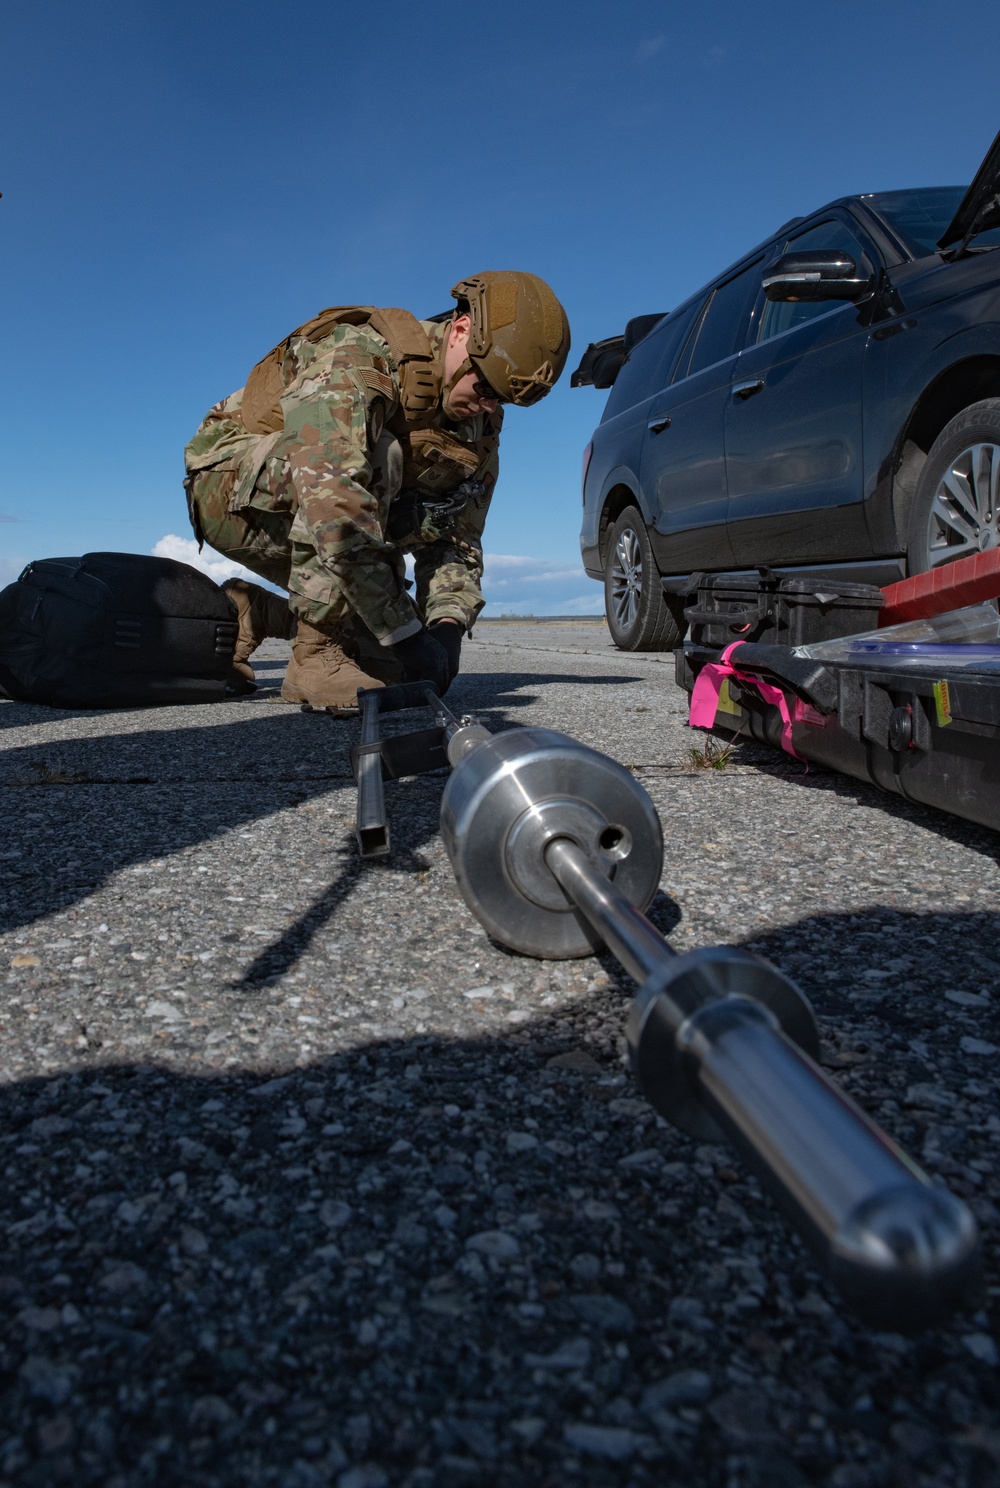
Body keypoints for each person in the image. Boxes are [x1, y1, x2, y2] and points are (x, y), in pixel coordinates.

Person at [184, 272, 570, 709]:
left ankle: (256, 612)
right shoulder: (361, 356)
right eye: (485, 388)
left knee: (393, 666)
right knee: (380, 456)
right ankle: (315, 656)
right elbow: (334, 500)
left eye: (502, 400)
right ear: (461, 332)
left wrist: (445, 628)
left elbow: (456, 538)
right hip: (229, 493)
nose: (488, 407)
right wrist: (403, 632)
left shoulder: (476, 426)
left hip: (318, 515)